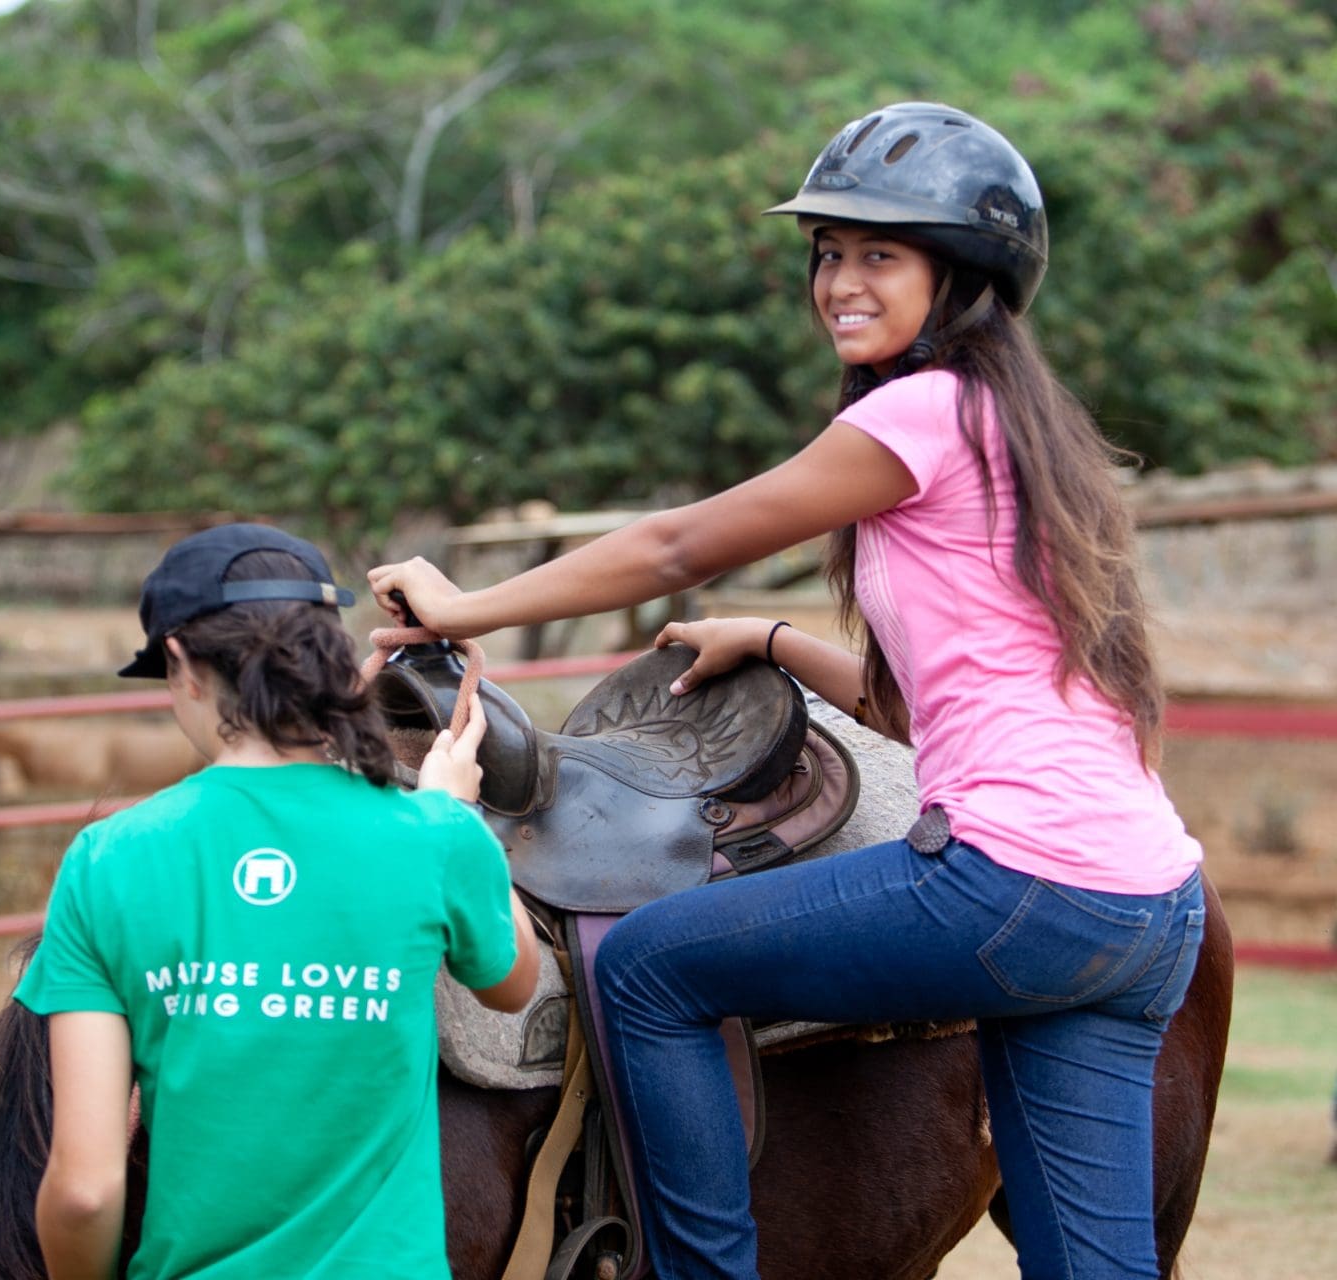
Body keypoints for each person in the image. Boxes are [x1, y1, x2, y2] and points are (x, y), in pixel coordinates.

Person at [368, 102, 1207, 1279]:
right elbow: (932, 703)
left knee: (651, 965)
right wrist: (772, 638)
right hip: (1145, 902)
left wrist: (461, 608)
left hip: (1015, 881)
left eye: (880, 254)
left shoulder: (918, 413)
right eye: (827, 252)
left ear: (959, 277)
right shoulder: (1021, 428)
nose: (839, 282)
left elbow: (672, 543)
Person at [18, 522, 541, 1280]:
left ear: (180, 664)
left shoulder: (110, 859)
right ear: (326, 657)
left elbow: (86, 1191)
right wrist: (460, 818)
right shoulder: (434, 836)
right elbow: (512, 984)